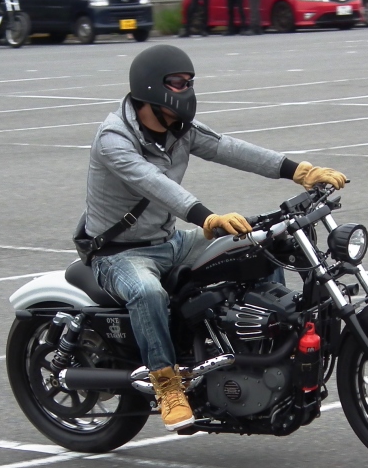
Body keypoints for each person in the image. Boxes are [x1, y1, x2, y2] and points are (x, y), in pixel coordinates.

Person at [76, 44, 346, 431]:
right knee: (147, 292)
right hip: (119, 254)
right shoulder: (113, 139)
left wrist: (299, 170)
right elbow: (152, 183)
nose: (186, 90)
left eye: (190, 82)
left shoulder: (178, 130)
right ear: (152, 87)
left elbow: (228, 148)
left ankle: (262, 350)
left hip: (169, 242)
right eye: (178, 82)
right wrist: (206, 217)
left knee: (258, 242)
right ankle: (166, 383)